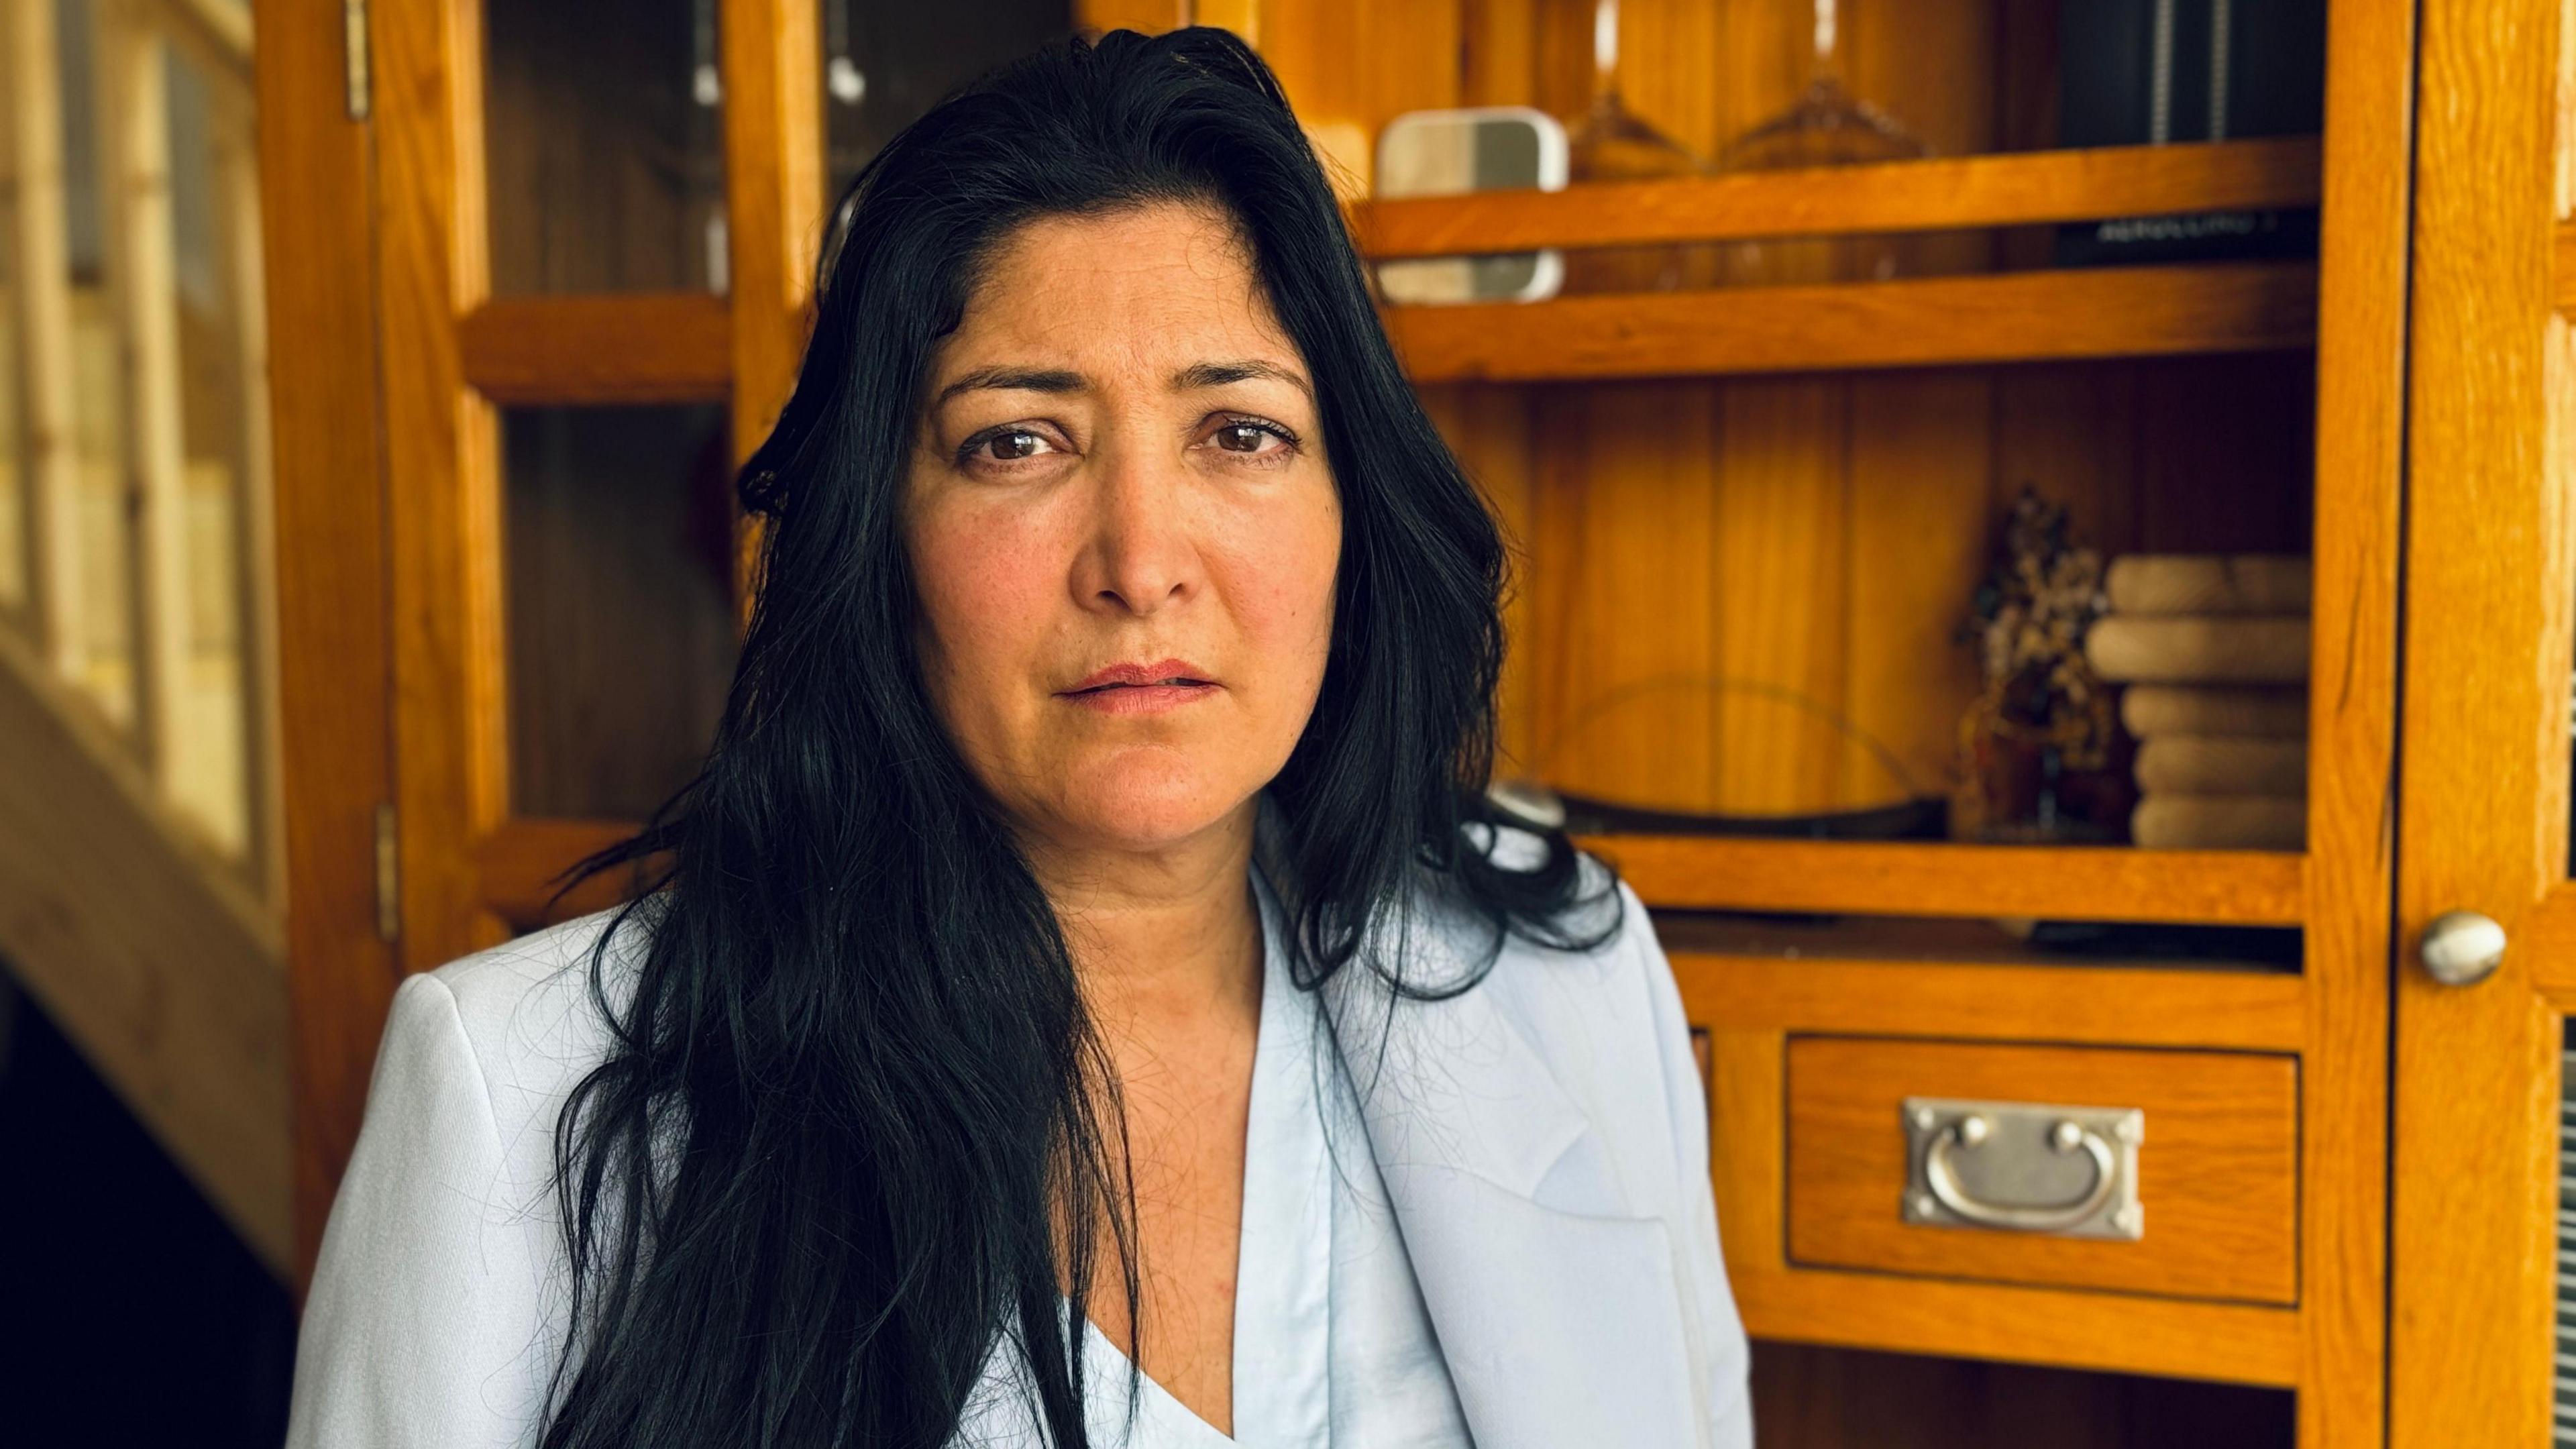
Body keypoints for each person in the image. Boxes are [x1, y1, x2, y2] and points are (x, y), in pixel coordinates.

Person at [284, 25, 1752, 1449]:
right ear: (881, 538)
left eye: (1239, 432)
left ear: (1353, 514)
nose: (1139, 558)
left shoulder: (1569, 972)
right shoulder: (513, 1099)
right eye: (1017, 441)